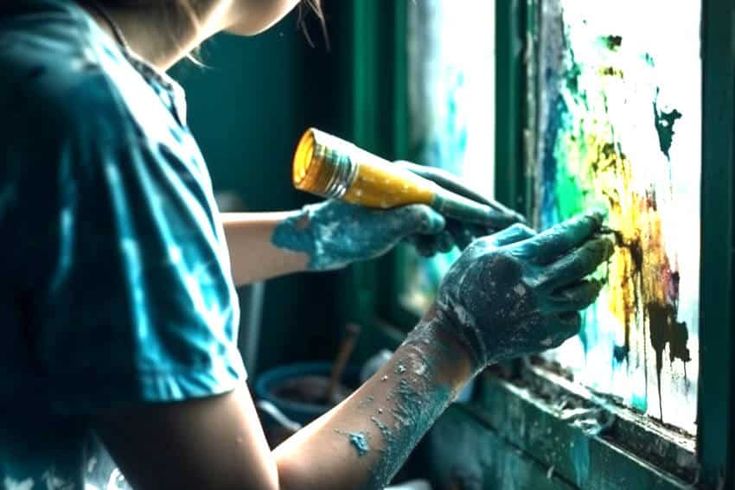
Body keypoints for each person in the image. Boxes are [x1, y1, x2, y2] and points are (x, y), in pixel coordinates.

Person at [0, 1, 613, 489]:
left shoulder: (35, 51)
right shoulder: (104, 127)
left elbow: (103, 270)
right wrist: (455, 341)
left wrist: (311, 234)